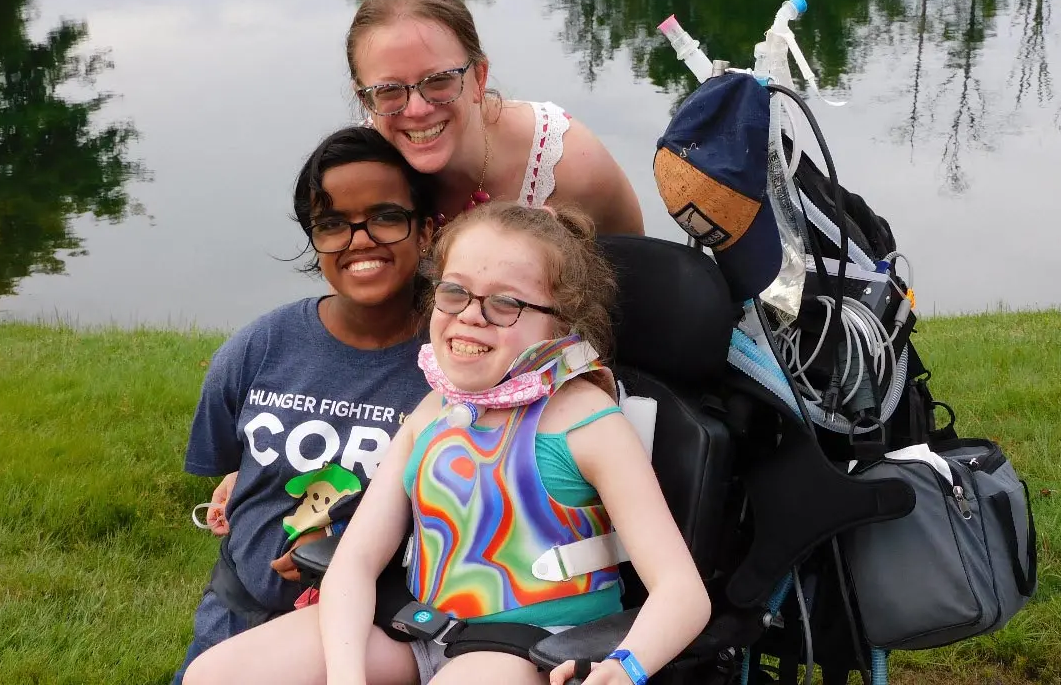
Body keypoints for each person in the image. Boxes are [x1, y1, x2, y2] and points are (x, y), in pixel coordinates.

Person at [182, 201, 711, 685]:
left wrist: (627, 665)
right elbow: (357, 560)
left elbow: (683, 594)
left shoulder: (588, 424)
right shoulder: (435, 411)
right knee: (215, 674)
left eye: (505, 304)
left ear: (562, 323)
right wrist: (346, 674)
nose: (470, 314)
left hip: (528, 651)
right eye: (454, 292)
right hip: (415, 627)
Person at [171, 125, 439, 683]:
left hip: (375, 637)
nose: (359, 239)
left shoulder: (452, 364)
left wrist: (348, 545)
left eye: (386, 216)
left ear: (428, 230)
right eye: (333, 224)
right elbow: (233, 465)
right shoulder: (260, 347)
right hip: (235, 619)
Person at [346, 0, 645, 236]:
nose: (417, 109)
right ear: (365, 99)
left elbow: (642, 284)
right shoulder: (352, 174)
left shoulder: (566, 164)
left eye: (438, 81)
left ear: (479, 77)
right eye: (389, 90)